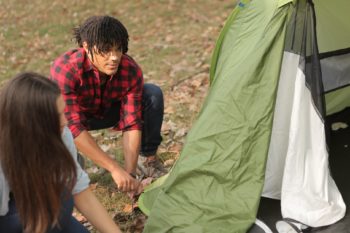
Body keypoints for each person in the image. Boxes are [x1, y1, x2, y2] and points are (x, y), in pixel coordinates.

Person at [50, 15, 166, 192]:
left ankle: (147, 160)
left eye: (118, 49)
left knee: (151, 94)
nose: (114, 58)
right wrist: (114, 168)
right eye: (106, 50)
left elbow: (132, 123)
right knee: (69, 172)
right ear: (86, 46)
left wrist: (129, 175)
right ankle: (69, 159)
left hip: (106, 111)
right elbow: (72, 126)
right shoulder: (66, 69)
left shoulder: (129, 69)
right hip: (67, 121)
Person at [0, 72, 121, 233]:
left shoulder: (61, 134)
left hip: (43, 213)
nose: (65, 121)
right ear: (30, 123)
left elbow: (80, 191)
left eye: (64, 112)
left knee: (63, 192)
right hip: (11, 219)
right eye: (56, 116)